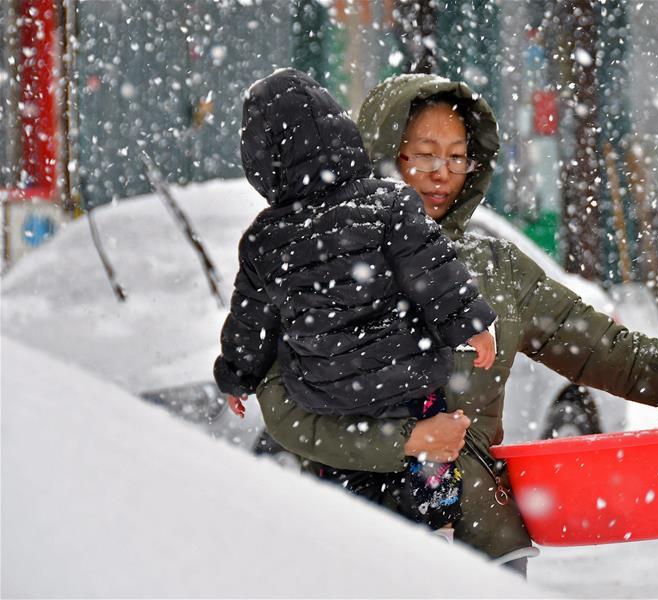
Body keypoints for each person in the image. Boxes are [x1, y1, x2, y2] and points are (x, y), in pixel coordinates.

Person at [251, 74, 658, 575]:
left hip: (481, 548)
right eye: (421, 154)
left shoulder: (495, 271)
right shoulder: (312, 261)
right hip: (352, 549)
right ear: (378, 155)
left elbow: (618, 353)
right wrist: (405, 442)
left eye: (457, 156)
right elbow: (284, 413)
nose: (441, 174)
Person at [213, 69, 500, 531]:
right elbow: (430, 267)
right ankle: (434, 529)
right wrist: (469, 321)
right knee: (428, 507)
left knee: (351, 517)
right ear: (345, 135)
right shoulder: (388, 203)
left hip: (330, 397)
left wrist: (237, 375)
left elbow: (252, 323)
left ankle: (364, 546)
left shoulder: (264, 241)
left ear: (263, 162)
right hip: (410, 382)